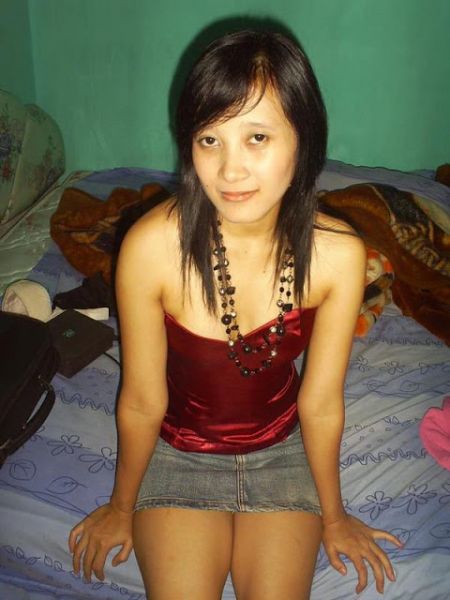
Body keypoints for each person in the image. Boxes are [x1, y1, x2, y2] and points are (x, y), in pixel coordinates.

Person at [68, 28, 403, 599]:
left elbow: (321, 403)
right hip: (179, 455)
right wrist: (120, 507)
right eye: (209, 139)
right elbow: (143, 399)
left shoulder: (339, 255)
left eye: (257, 137)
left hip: (282, 455)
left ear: (303, 139)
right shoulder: (151, 248)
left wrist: (335, 516)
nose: (229, 171)